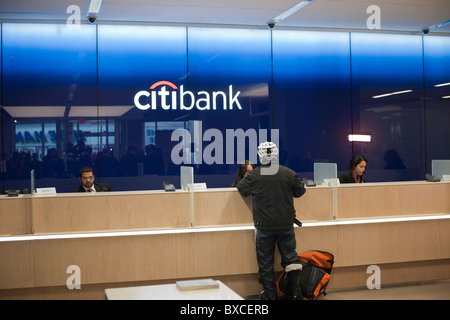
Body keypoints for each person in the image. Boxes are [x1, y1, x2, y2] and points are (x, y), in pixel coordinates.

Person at [237, 141, 306, 300]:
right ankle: (293, 293)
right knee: (290, 259)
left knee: (265, 263)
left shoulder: (253, 175)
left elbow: (242, 188)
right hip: (286, 224)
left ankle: (270, 295)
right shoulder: (288, 173)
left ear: (260, 155)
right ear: (275, 155)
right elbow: (300, 192)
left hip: (264, 226)